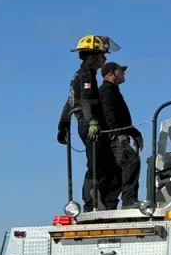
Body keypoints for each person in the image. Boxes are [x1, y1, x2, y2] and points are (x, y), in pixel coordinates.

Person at [58, 35, 120, 211]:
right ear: (93, 56)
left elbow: (70, 101)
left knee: (106, 163)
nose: (105, 58)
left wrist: (62, 125)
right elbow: (85, 101)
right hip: (89, 125)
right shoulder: (86, 74)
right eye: (103, 54)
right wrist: (92, 121)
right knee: (96, 164)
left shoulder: (80, 74)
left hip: (84, 123)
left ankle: (104, 203)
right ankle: (91, 203)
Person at [99, 61, 143, 210]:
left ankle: (110, 205)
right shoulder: (106, 91)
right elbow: (108, 113)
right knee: (131, 161)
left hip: (116, 135)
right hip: (113, 137)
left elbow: (120, 116)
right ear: (112, 73)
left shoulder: (113, 90)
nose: (124, 73)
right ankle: (129, 200)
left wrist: (134, 133)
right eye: (121, 71)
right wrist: (118, 133)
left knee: (117, 171)